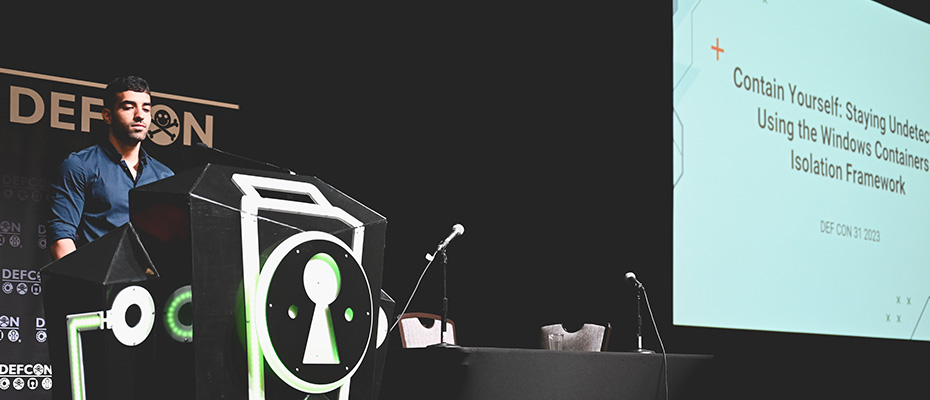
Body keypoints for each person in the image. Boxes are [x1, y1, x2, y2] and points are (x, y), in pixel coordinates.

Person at [47, 75, 175, 260]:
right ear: (107, 116)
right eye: (129, 107)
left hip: (151, 277)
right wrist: (79, 279)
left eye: (146, 109)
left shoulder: (165, 176)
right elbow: (60, 236)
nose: (140, 115)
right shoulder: (80, 166)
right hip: (97, 275)